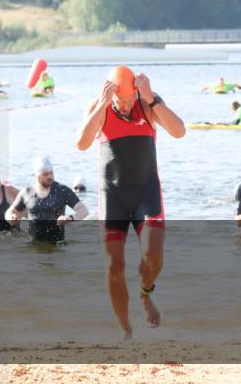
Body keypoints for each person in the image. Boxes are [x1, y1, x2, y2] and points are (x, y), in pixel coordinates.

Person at [76, 65, 186, 340]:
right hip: (112, 195)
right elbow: (81, 143)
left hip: (146, 193)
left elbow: (179, 131)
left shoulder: (148, 103)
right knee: (114, 266)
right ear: (110, 93)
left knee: (154, 255)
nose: (125, 106)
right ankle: (126, 329)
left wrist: (152, 99)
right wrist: (102, 106)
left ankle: (145, 293)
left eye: (129, 100)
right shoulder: (100, 106)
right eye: (120, 101)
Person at [4, 156, 88, 244]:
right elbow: (9, 212)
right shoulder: (27, 192)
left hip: (57, 245)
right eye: (45, 174)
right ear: (37, 176)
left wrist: (70, 218)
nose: (50, 177)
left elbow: (83, 211)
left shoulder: (62, 191)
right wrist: (11, 217)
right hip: (33, 245)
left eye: (51, 173)